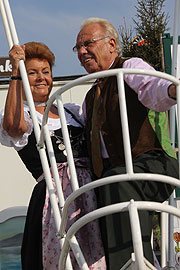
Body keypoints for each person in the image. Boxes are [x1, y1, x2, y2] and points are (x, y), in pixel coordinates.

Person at [73, 17, 179, 269]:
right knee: (107, 188)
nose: (81, 52)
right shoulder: (90, 98)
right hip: (117, 180)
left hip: (153, 163)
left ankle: (131, 265)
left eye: (88, 43)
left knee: (118, 181)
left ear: (111, 43)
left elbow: (153, 87)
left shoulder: (129, 67)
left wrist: (172, 90)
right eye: (77, 48)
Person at [0, 42, 106, 269]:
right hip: (54, 197)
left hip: (90, 191)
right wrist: (15, 73)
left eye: (45, 72)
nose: (41, 78)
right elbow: (13, 126)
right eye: (32, 72)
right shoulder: (24, 115)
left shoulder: (71, 111)